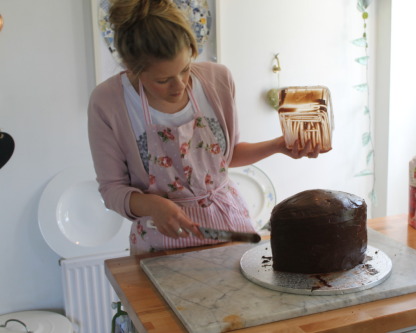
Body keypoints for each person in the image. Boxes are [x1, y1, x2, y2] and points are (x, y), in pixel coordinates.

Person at [88, 0, 323, 255]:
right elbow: (112, 189)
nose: (179, 86)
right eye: (163, 80)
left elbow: (226, 156)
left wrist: (278, 145)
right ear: (132, 69)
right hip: (163, 238)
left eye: (185, 69)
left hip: (230, 229)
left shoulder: (218, 80)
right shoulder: (109, 102)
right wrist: (152, 205)